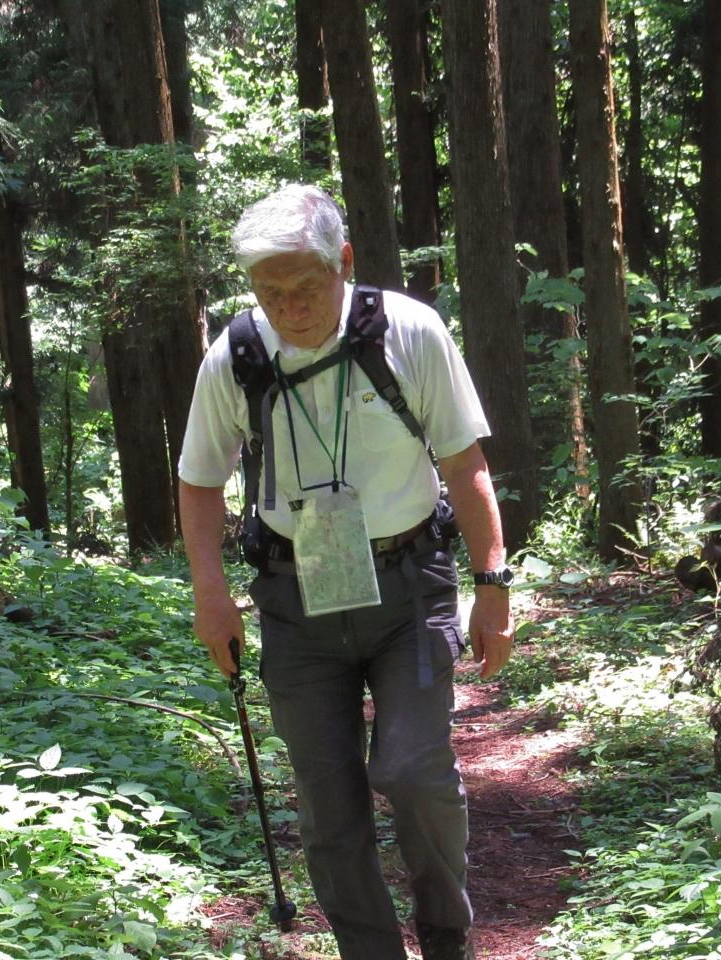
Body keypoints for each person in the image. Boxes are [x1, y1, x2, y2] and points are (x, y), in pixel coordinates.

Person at [178, 184, 514, 960]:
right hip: (294, 599)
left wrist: (493, 586)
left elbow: (465, 464)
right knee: (328, 807)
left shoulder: (411, 332)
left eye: (306, 286)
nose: (290, 308)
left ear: (346, 263)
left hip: (410, 587)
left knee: (413, 770)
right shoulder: (236, 357)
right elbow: (198, 481)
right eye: (270, 293)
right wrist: (211, 595)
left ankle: (447, 937)